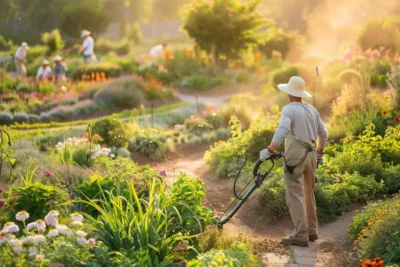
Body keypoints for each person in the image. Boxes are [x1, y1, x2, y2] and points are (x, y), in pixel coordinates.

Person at [260, 76, 328, 247]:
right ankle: (312, 231)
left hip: (296, 156)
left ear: (289, 93)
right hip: (311, 154)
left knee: (294, 193)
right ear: (302, 93)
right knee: (308, 193)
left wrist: (270, 150)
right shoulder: (312, 110)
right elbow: (324, 133)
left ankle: (300, 235)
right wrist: (319, 152)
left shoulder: (289, 109)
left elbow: (283, 129)